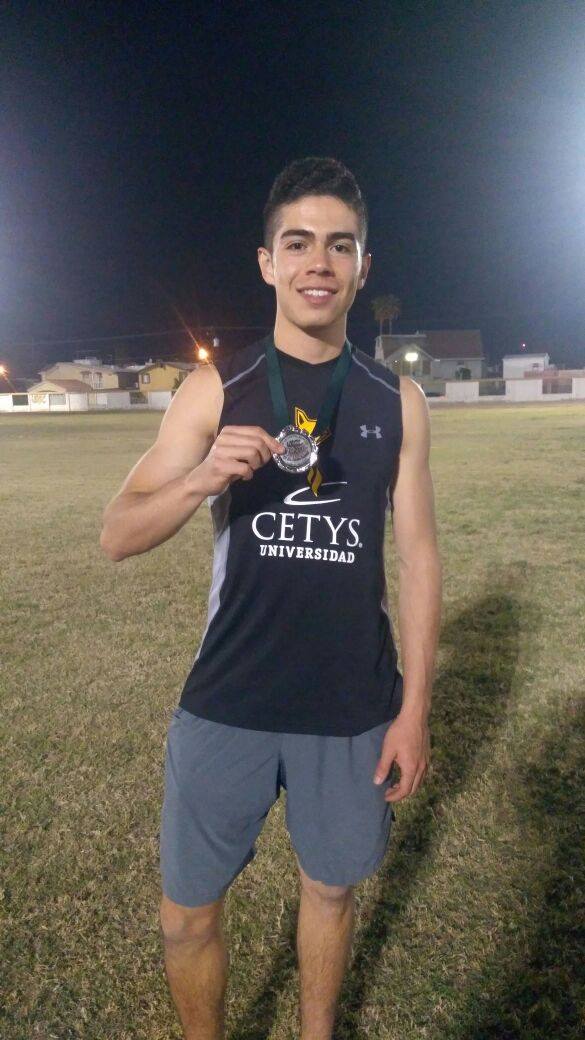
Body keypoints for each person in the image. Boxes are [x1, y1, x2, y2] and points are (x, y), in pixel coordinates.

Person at [100, 156, 442, 1040]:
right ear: (267, 262)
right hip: (230, 697)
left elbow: (418, 556)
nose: (317, 262)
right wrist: (199, 480)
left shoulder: (398, 401)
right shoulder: (215, 389)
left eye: (339, 245)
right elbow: (117, 533)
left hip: (351, 706)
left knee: (329, 892)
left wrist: (412, 711)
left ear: (362, 266)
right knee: (186, 916)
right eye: (298, 243)